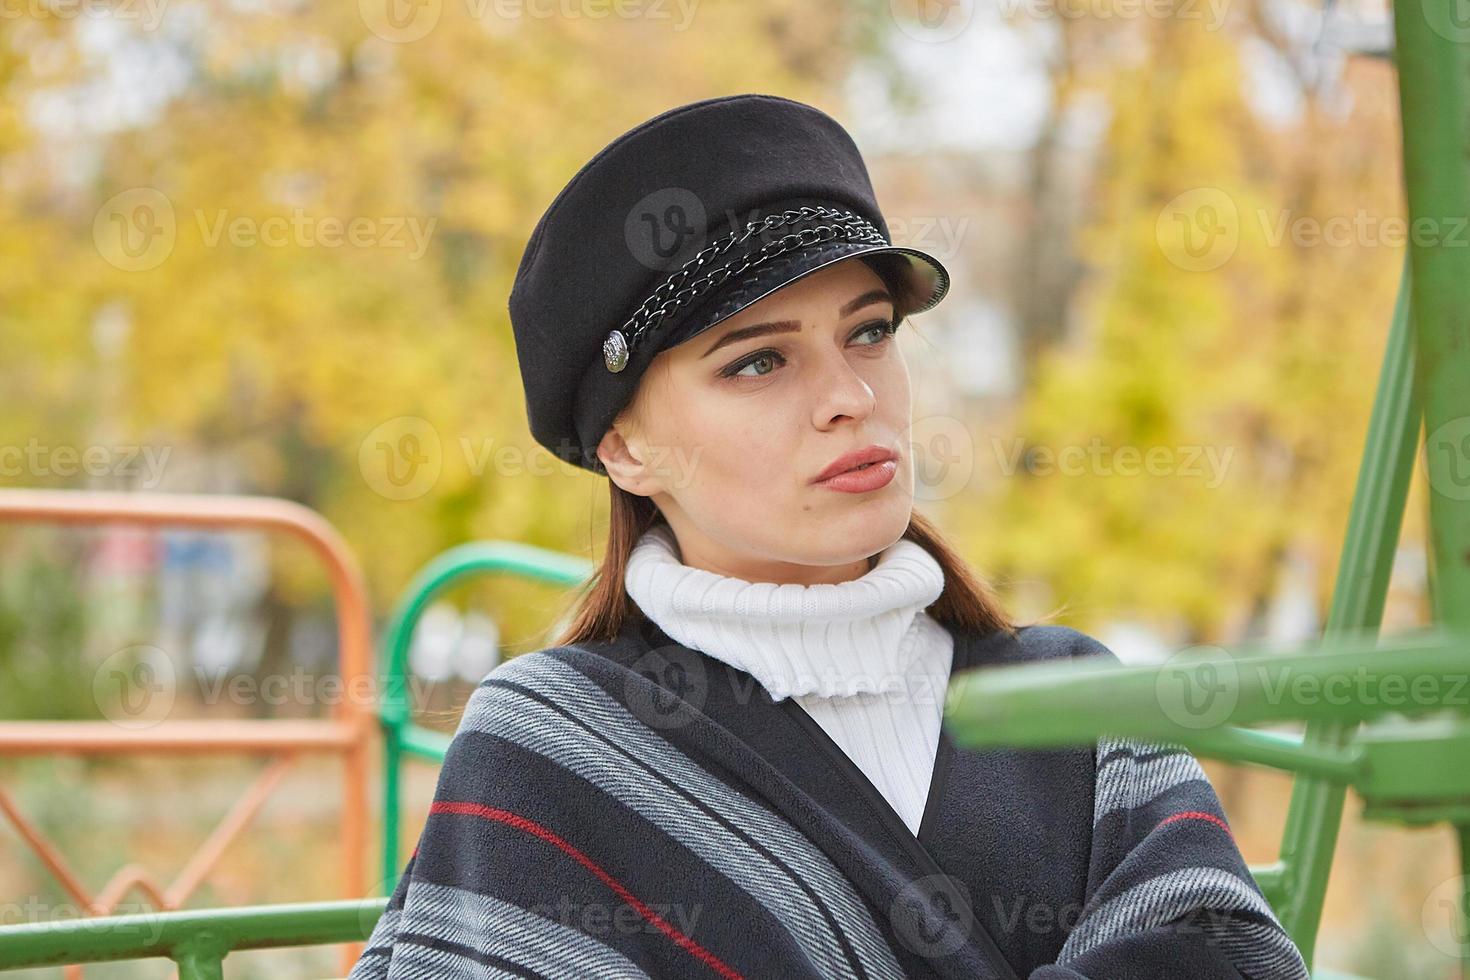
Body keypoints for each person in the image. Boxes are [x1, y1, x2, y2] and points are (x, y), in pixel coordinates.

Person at [348, 93, 1310, 979]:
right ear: (625, 447)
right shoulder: (551, 750)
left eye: (870, 331)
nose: (852, 400)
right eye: (759, 361)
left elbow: (1224, 953)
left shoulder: (1078, 706)